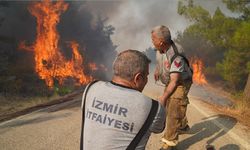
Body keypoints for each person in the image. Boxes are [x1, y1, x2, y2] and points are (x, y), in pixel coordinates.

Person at [80, 49, 166, 150]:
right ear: (137, 78)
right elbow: (159, 128)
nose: (147, 80)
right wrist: (162, 106)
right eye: (146, 76)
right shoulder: (154, 107)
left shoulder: (91, 88)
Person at [151, 25, 193, 149]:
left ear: (161, 42)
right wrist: (158, 70)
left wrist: (163, 97)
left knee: (173, 107)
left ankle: (169, 143)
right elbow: (160, 61)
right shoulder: (159, 49)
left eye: (153, 39)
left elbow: (174, 81)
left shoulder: (176, 55)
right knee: (172, 104)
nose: (152, 41)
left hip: (181, 82)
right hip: (171, 79)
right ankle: (182, 125)